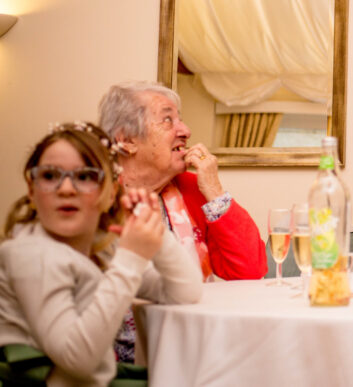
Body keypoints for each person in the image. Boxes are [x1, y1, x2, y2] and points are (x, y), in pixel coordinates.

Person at [0, 122, 202, 386]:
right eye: (50, 176)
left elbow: (185, 292)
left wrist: (157, 233)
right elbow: (77, 359)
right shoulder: (30, 253)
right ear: (32, 189)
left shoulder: (99, 248)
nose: (66, 189)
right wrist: (130, 259)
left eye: (85, 177)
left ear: (110, 194)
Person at [98, 82, 266, 281]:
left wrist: (214, 190)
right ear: (127, 140)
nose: (186, 131)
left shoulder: (192, 188)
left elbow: (250, 272)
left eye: (181, 120)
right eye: (167, 120)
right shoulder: (90, 195)